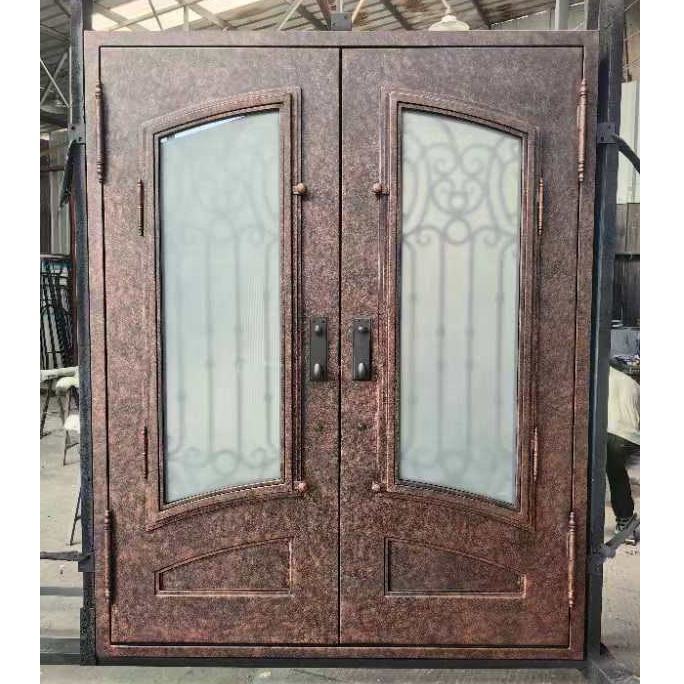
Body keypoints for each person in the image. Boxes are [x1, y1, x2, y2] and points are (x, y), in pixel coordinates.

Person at [606, 358, 640, 542]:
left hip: (611, 433)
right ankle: (625, 522)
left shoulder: (604, 378)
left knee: (609, 477)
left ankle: (624, 523)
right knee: (619, 475)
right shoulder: (633, 384)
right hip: (631, 438)